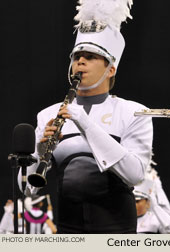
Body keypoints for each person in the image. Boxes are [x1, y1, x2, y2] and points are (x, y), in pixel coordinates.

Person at [20, 0, 153, 233]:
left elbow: (135, 174)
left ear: (111, 68)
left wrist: (85, 123)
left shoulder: (133, 112)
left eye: (90, 56)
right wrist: (38, 154)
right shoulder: (48, 115)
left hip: (116, 231)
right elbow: (26, 189)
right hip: (67, 230)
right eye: (76, 56)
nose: (80, 61)